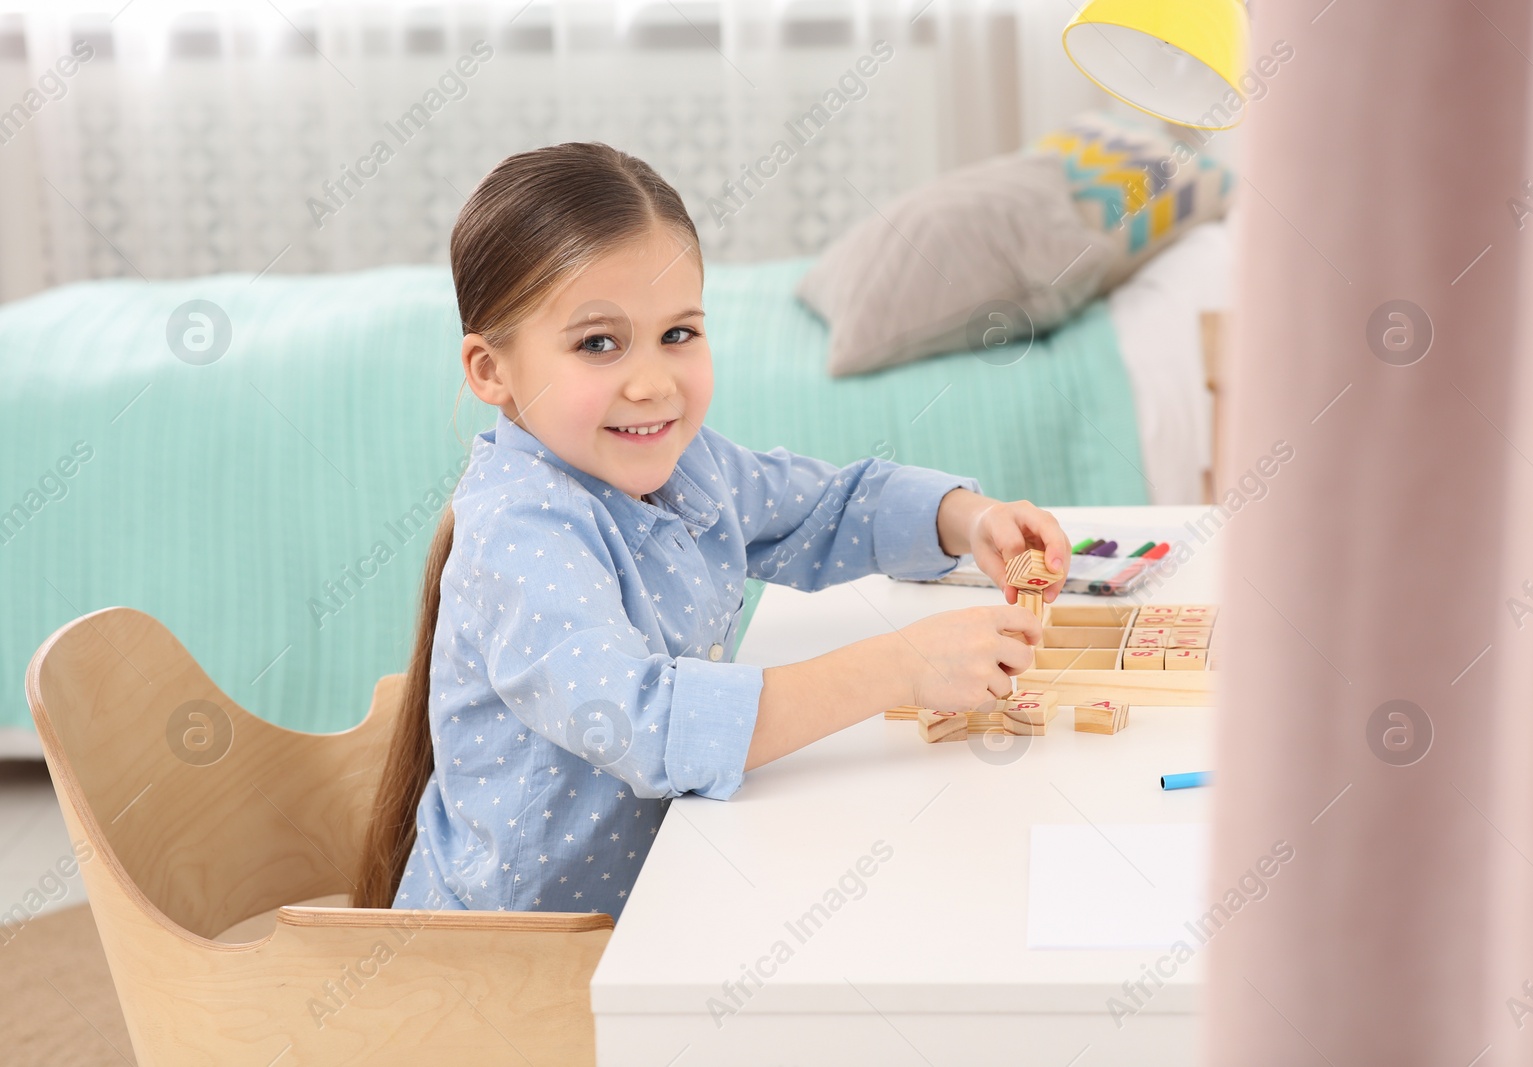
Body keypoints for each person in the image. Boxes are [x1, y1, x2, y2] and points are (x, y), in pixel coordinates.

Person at [353, 143, 1070, 914]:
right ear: (491, 371)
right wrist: (903, 666)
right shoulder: (521, 530)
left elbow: (825, 507)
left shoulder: (680, 465)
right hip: (521, 964)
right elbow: (650, 723)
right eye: (599, 343)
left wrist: (969, 519)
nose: (653, 382)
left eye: (679, 334)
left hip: (664, 894)